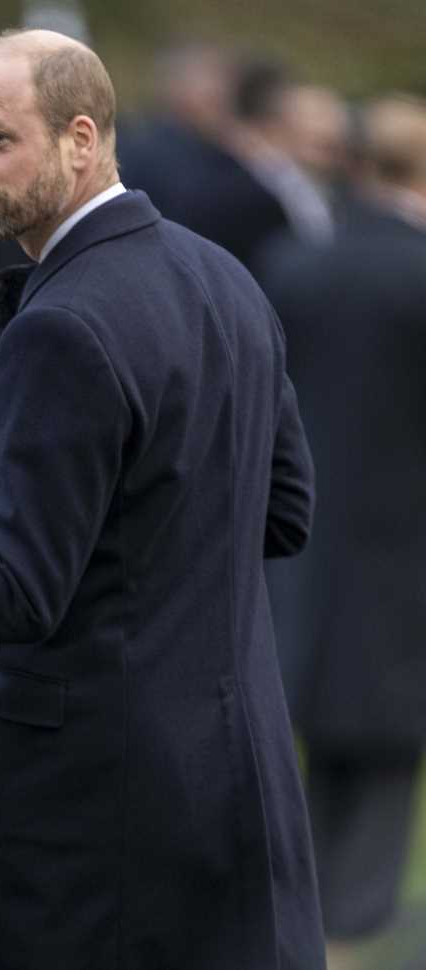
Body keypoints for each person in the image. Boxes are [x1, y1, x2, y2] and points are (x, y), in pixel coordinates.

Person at [0, 29, 324, 968]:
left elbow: (16, 593)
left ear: (82, 138)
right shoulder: (224, 277)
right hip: (239, 771)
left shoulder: (63, 325)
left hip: (101, 801)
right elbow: (281, 509)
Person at [258, 93, 426, 966]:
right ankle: (356, 927)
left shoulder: (296, 264)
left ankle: (306, 905)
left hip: (308, 534)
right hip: (407, 547)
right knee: (390, 749)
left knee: (309, 723)